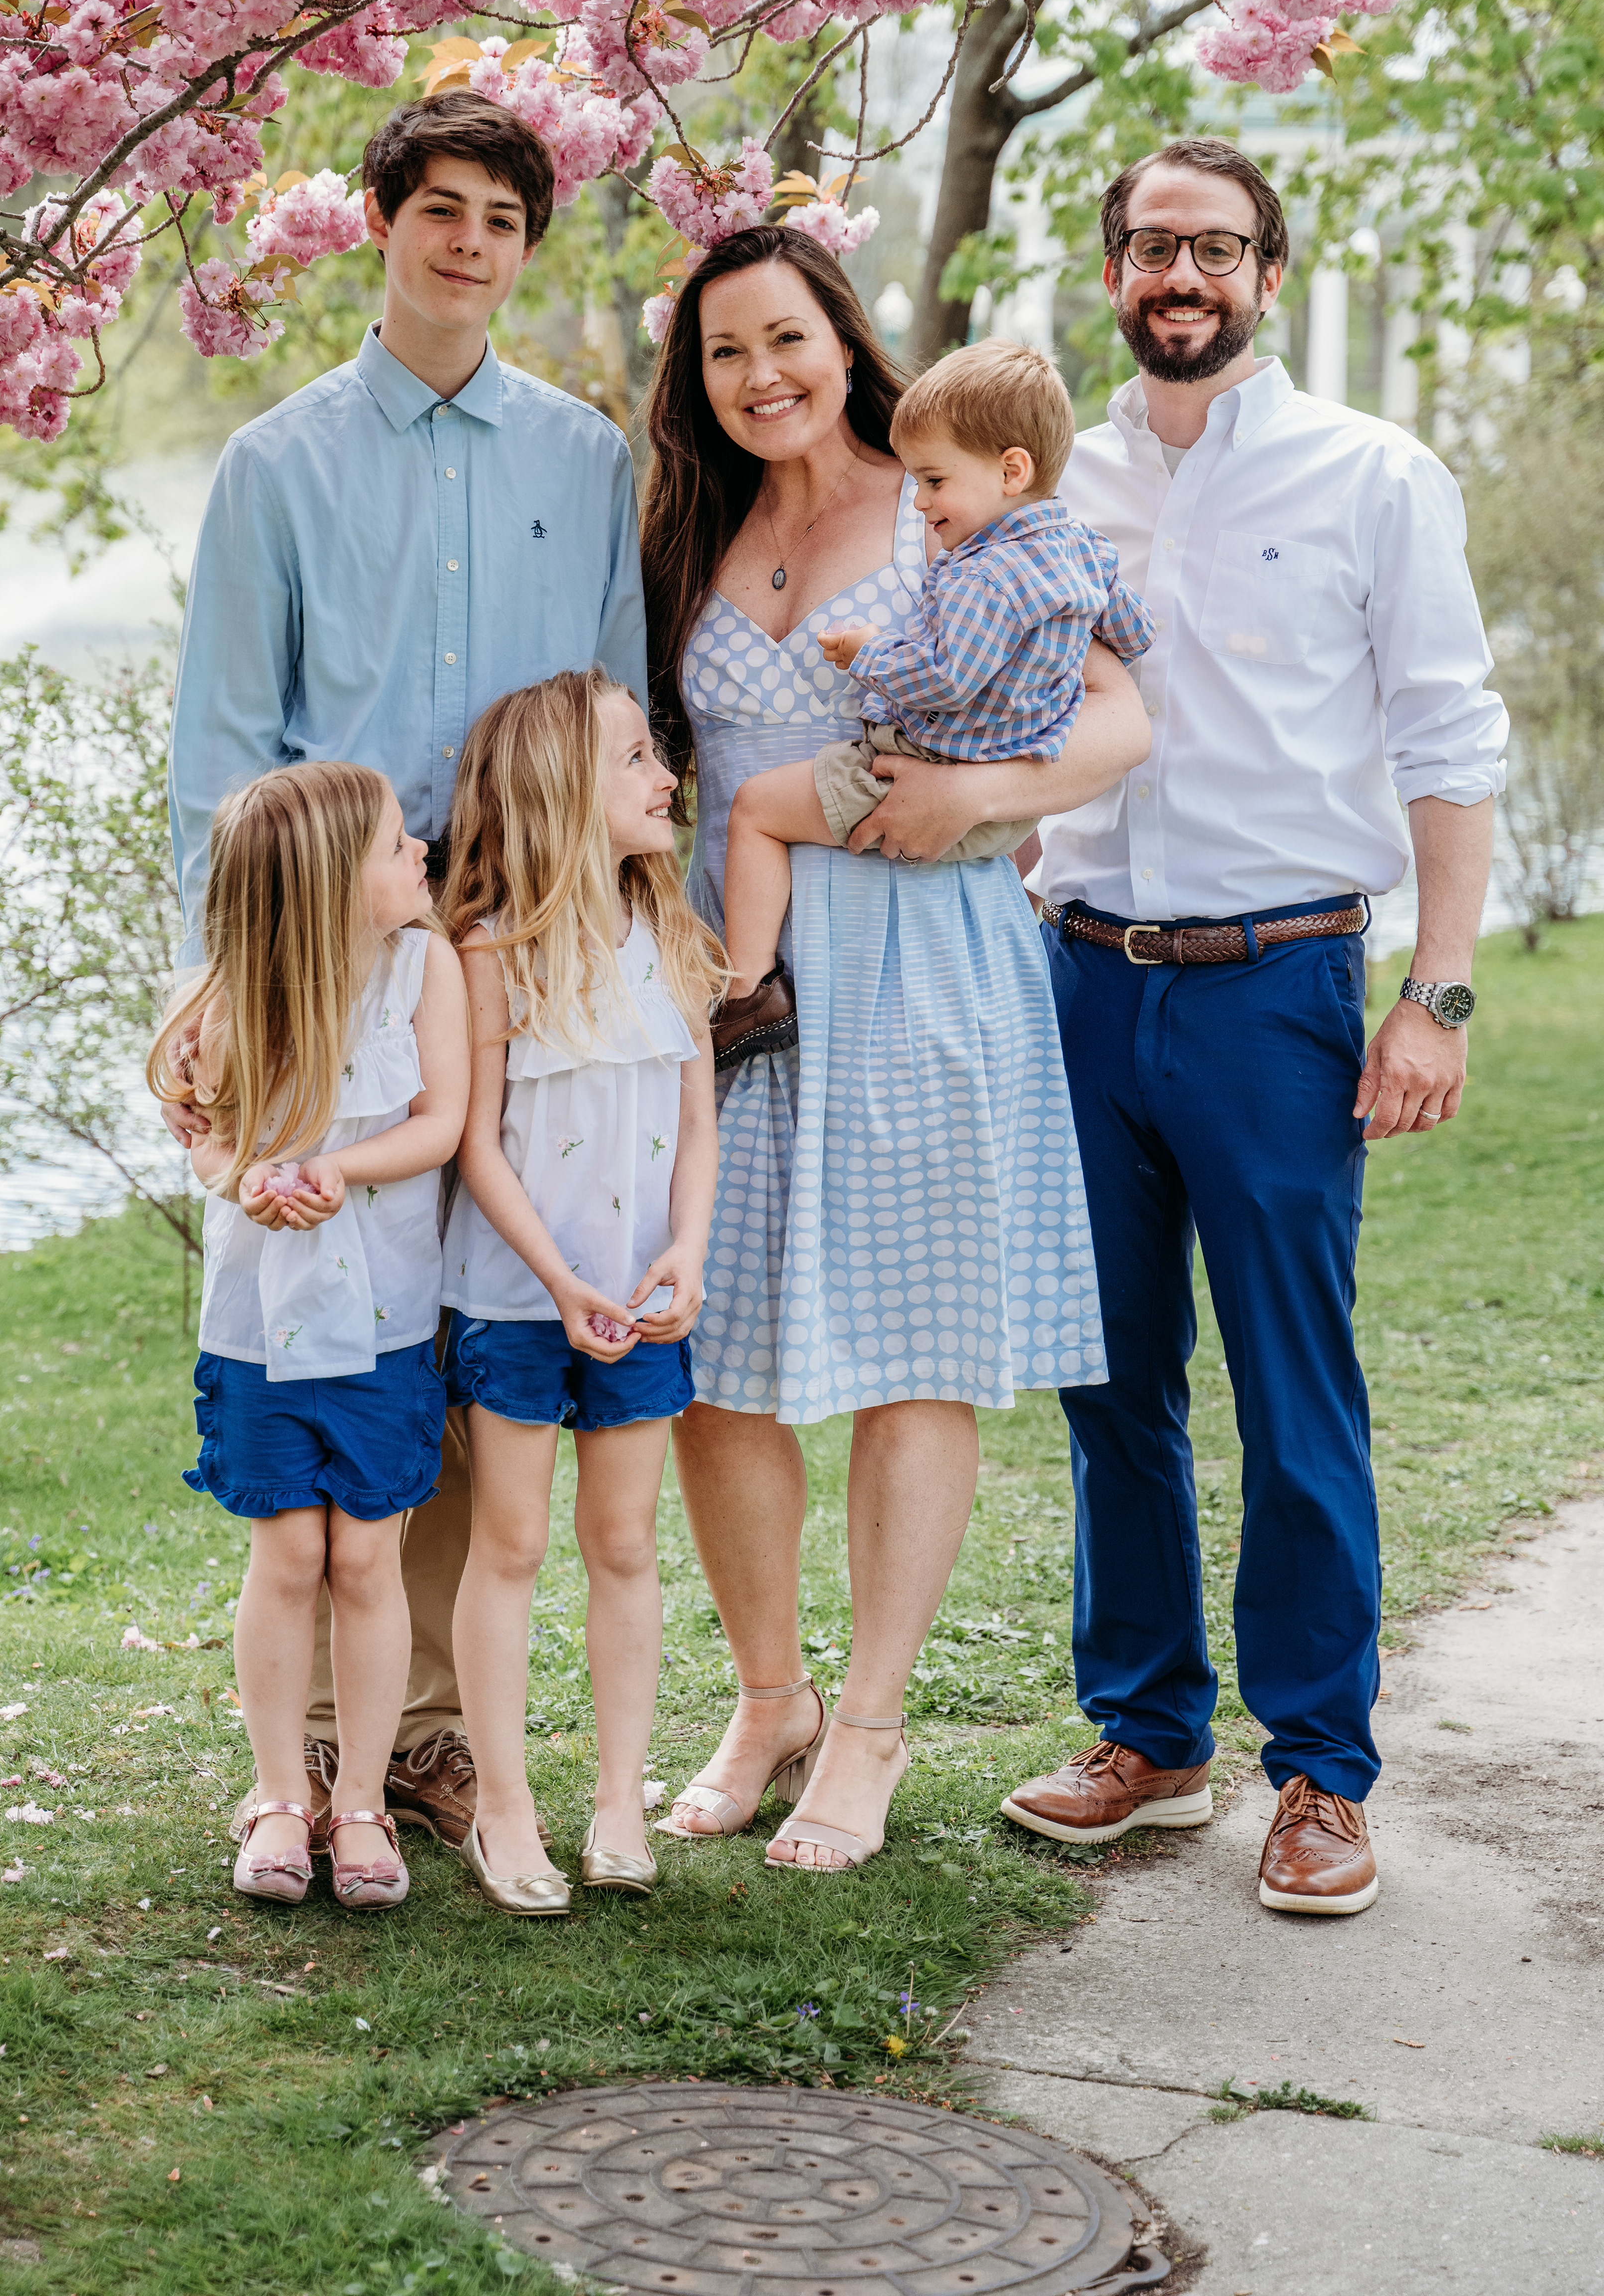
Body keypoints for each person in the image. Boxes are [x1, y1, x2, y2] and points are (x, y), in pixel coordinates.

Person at [1000, 135, 1507, 1917]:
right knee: (1108, 1378)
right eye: (1151, 248)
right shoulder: (1049, 482)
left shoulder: (1375, 475)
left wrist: (1434, 995)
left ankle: (1321, 1774)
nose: (1181, 277)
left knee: (1298, 1394)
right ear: (1114, 270)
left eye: (1215, 247)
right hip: (1078, 978)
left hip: (1281, 985)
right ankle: (1149, 1734)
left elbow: (1449, 741)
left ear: (1270, 275)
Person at [163, 91, 648, 1854]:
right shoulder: (277, 464)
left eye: (503, 222)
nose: (470, 246)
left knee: (465, 1326)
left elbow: (612, 715)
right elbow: (221, 748)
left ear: (529, 245)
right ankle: (295, 1757)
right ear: (384, 221)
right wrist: (224, 988)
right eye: (440, 210)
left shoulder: (588, 461)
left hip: (516, 945)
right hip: (325, 946)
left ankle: (426, 1736)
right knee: (327, 1311)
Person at [639, 223, 1151, 1874]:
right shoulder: (684, 529)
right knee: (709, 1356)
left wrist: (986, 799)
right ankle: (768, 1693)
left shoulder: (952, 502)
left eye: (785, 339)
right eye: (724, 353)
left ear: (843, 344)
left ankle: (870, 1719)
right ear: (694, 382)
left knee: (917, 1348)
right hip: (742, 981)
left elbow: (1124, 714)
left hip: (930, 961)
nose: (760, 376)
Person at [148, 760, 468, 1910]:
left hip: (384, 1326)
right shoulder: (221, 999)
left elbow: (443, 1120)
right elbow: (201, 1139)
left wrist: (335, 1169)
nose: (419, 853)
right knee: (288, 1558)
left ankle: (367, 1803)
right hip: (260, 1332)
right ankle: (283, 1794)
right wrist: (239, 1175)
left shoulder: (424, 971)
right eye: (395, 846)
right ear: (334, 885)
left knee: (367, 1558)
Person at [440, 670, 726, 1912]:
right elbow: (477, 1143)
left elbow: (696, 1122)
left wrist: (687, 1255)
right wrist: (557, 1282)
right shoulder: (489, 952)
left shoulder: (671, 936)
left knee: (624, 1544)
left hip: (641, 1298)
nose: (666, 776)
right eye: (634, 758)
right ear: (561, 791)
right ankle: (503, 1810)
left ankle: (620, 1800)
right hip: (517, 1302)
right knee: (508, 1543)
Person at [715, 339, 1154, 1055]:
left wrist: (867, 654)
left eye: (935, 480)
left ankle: (748, 994)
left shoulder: (984, 574)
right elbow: (1135, 633)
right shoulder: (1083, 551)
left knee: (757, 811)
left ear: (1012, 470)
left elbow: (946, 678)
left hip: (925, 765)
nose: (921, 502)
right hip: (1008, 797)